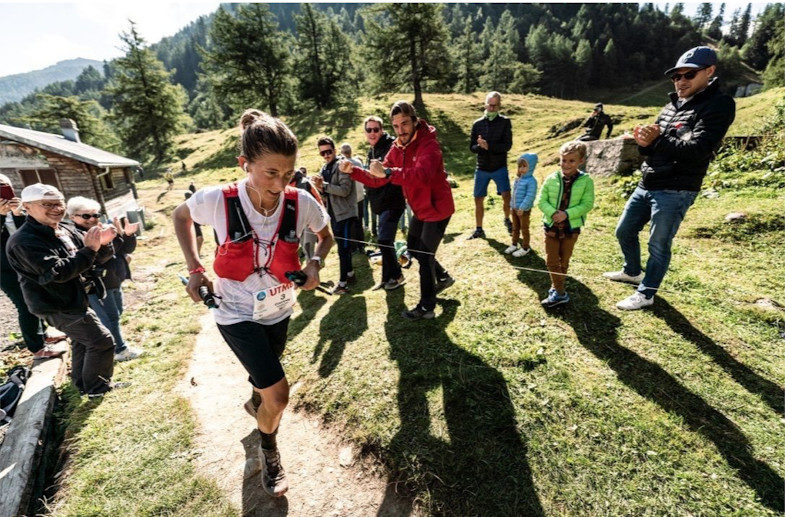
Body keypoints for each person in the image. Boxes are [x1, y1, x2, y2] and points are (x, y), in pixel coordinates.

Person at [173, 109, 333, 498]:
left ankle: (256, 401)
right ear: (244, 163)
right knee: (278, 394)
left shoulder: (300, 201)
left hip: (279, 308)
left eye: (288, 173)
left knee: (264, 382)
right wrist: (194, 268)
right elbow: (180, 216)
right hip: (234, 312)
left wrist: (314, 263)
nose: (280, 183)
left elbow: (325, 235)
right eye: (270, 173)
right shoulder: (217, 199)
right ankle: (270, 450)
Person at [604, 46, 736, 310]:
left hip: (677, 188)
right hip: (648, 182)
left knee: (658, 243)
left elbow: (698, 149)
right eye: (676, 76)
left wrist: (656, 140)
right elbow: (654, 146)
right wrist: (644, 143)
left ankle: (646, 293)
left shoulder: (719, 104)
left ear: (709, 71)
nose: (680, 81)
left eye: (689, 75)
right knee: (624, 231)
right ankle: (632, 271)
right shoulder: (671, 104)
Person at [341, 100, 455, 319]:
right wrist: (353, 171)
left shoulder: (428, 144)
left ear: (414, 121)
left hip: (437, 208)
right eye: (396, 126)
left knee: (425, 255)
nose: (400, 130)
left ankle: (427, 306)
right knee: (413, 248)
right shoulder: (397, 148)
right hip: (420, 209)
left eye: (404, 124)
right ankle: (443, 277)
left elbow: (423, 176)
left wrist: (389, 172)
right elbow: (377, 179)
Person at [7, 183, 121, 398]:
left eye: (59, 203)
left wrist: (104, 244)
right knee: (101, 341)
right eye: (47, 204)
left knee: (82, 342)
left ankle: (83, 385)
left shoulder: (66, 228)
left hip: (75, 297)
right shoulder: (24, 241)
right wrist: (91, 249)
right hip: (56, 303)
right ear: (27, 207)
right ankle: (97, 389)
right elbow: (57, 273)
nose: (56, 209)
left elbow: (93, 259)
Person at [66, 197, 145, 363]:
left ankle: (114, 344)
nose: (92, 219)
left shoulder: (102, 228)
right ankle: (119, 350)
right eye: (86, 216)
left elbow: (125, 249)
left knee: (116, 314)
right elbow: (92, 261)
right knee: (109, 318)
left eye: (95, 215)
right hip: (99, 285)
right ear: (73, 217)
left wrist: (128, 235)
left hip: (114, 280)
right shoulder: (75, 236)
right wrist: (102, 244)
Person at [0, 174, 63, 359]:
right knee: (24, 304)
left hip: (25, 262)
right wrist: (1, 216)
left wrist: (18, 213)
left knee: (36, 298)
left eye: (4, 186)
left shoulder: (19, 207)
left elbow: (26, 232)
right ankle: (36, 347)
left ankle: (43, 334)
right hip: (4, 268)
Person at [538, 141, 595, 308]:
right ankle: (561, 293)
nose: (566, 164)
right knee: (551, 260)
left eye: (571, 161)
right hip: (551, 227)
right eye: (564, 160)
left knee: (564, 260)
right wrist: (553, 213)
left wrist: (567, 214)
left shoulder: (586, 181)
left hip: (571, 228)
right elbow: (541, 201)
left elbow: (587, 204)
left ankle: (556, 288)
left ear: (581, 161)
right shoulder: (551, 179)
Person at [362, 115, 406, 291]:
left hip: (393, 200)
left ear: (381, 130)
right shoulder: (371, 151)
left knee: (384, 240)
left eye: (376, 129)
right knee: (384, 241)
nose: (372, 133)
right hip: (379, 203)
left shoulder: (390, 146)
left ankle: (397, 274)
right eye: (369, 130)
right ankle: (386, 278)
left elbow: (391, 174)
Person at [311, 137, 357, 295]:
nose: (326, 155)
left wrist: (324, 186)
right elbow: (326, 195)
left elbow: (344, 190)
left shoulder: (342, 165)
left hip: (346, 213)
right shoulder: (324, 168)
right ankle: (350, 274)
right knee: (343, 247)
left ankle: (342, 283)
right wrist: (319, 188)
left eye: (328, 152)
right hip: (334, 214)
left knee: (343, 249)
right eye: (322, 153)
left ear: (335, 150)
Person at [468, 91, 513, 239]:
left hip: (499, 166)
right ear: (485, 104)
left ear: (499, 105)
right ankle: (479, 228)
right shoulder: (477, 124)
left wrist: (489, 146)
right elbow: (472, 147)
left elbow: (507, 145)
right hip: (482, 168)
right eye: (490, 105)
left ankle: (507, 219)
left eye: (495, 105)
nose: (492, 108)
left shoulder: (505, 122)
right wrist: (480, 146)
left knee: (506, 195)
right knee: (478, 198)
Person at [505, 153, 538, 258]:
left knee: (524, 229)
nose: (521, 169)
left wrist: (522, 208)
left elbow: (530, 196)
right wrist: (511, 207)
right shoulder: (518, 179)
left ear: (531, 167)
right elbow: (514, 195)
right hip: (515, 209)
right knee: (515, 228)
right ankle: (514, 244)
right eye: (520, 166)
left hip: (523, 210)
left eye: (524, 166)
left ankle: (525, 247)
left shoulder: (531, 181)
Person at [288, 166, 322, 261]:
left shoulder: (302, 184)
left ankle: (313, 267)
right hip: (300, 221)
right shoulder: (288, 185)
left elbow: (311, 205)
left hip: (311, 219)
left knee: (308, 247)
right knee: (304, 247)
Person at [340, 142, 367, 254]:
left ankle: (354, 247)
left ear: (342, 153)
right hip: (360, 197)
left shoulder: (343, 165)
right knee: (359, 222)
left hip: (350, 199)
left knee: (351, 224)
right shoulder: (358, 162)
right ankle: (361, 245)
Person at [183, 192, 204, 256]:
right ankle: (196, 254)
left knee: (199, 239)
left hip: (195, 224)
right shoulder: (187, 205)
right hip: (192, 224)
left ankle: (197, 253)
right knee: (199, 239)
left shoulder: (191, 204)